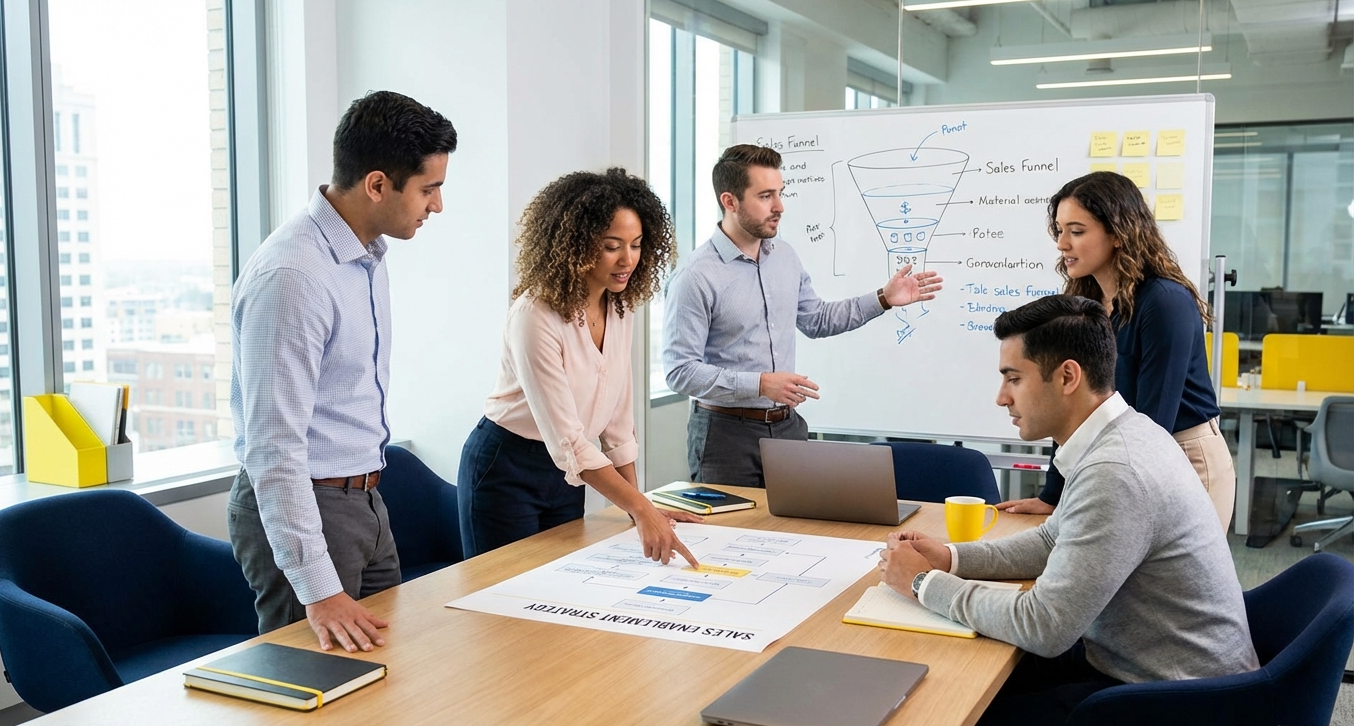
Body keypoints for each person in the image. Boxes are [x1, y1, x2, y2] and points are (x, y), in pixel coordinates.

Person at [880, 295, 1257, 726]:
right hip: (1147, 669)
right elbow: (1050, 538)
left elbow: (1045, 626)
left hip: (1174, 709)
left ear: (1067, 377)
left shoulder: (1116, 469)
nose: (1002, 397)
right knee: (965, 689)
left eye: (1013, 379)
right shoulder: (1120, 434)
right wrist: (950, 558)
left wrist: (921, 583)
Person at [228, 91, 457, 653]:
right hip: (307, 508)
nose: (437, 206)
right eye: (429, 189)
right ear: (378, 184)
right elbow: (274, 447)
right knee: (309, 702)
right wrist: (317, 586)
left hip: (367, 501)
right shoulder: (294, 275)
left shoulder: (367, 256)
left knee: (384, 682)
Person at [458, 168, 701, 566]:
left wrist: (635, 509)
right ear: (575, 244)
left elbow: (618, 425)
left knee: (560, 589)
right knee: (504, 601)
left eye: (637, 245)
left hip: (571, 473)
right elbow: (568, 440)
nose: (628, 260)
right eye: (612, 246)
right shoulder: (535, 315)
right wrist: (643, 509)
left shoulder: (620, 306)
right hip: (506, 468)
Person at [662, 144, 942, 488]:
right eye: (765, 196)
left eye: (779, 193)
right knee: (731, 537)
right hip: (725, 436)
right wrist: (761, 383)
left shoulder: (785, 257)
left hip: (787, 427)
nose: (779, 206)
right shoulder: (695, 276)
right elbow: (679, 372)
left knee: (798, 533)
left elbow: (817, 320)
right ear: (730, 201)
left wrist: (884, 298)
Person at [997, 171, 1236, 530]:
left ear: (1119, 234)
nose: (1063, 244)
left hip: (1180, 454)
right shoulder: (1083, 304)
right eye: (1059, 231)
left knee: (1162, 584)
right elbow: (1069, 411)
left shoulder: (1165, 303)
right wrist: (1053, 496)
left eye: (1076, 231)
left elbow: (1153, 425)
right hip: (1120, 454)